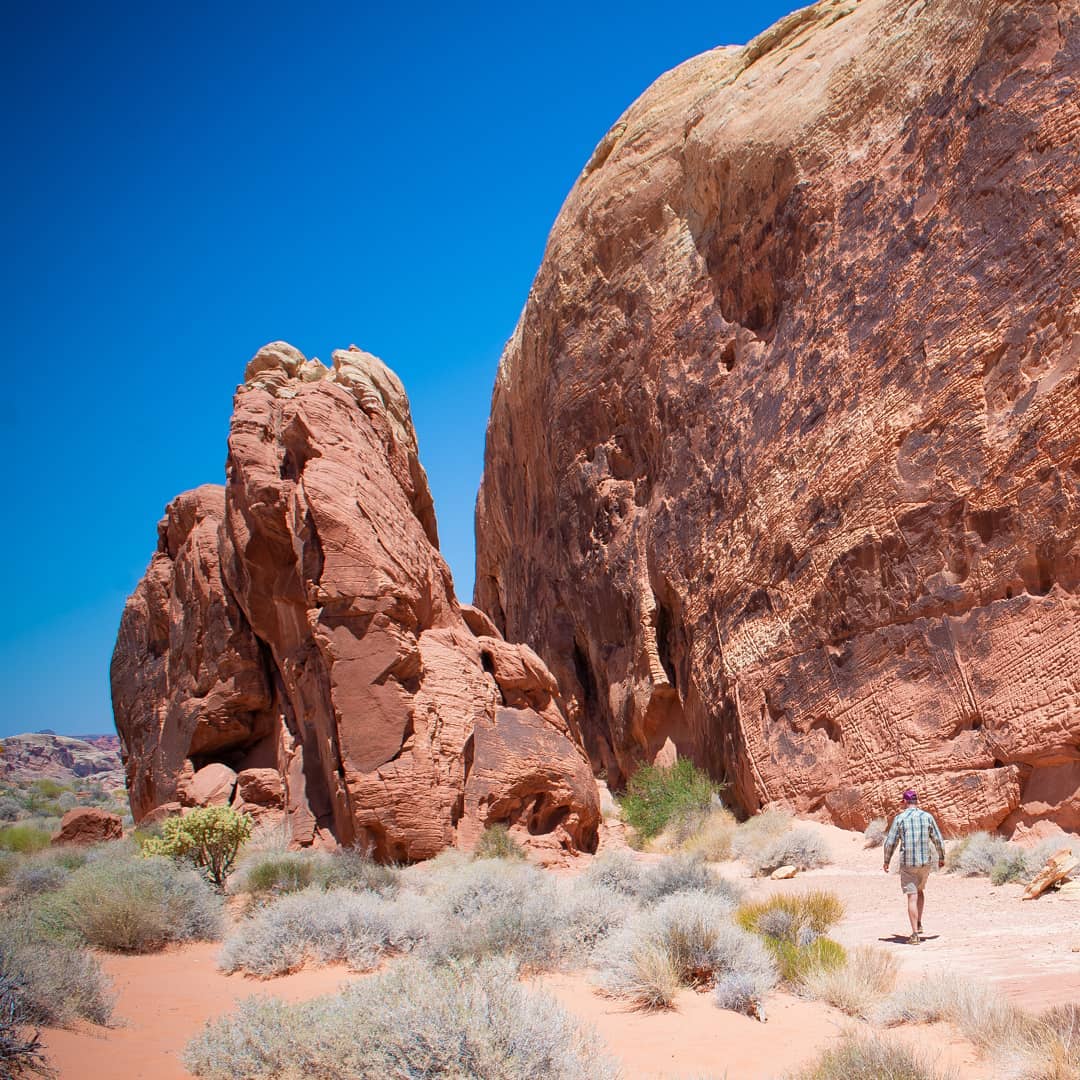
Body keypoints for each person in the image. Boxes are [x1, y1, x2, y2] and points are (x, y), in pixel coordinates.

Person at [882, 788, 945, 944]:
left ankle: (915, 934)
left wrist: (886, 860)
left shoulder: (900, 818)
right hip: (925, 863)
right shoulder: (927, 817)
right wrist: (942, 856)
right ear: (917, 801)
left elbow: (890, 842)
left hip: (908, 863)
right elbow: (938, 838)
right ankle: (918, 922)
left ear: (904, 802)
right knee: (920, 891)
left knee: (912, 896)